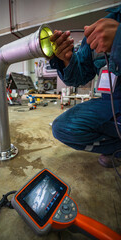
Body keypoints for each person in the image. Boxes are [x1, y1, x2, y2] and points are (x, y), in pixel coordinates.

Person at [49, 5, 121, 168]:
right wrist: (66, 59)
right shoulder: (104, 25)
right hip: (110, 102)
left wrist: (119, 40)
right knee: (63, 127)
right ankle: (117, 148)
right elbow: (78, 77)